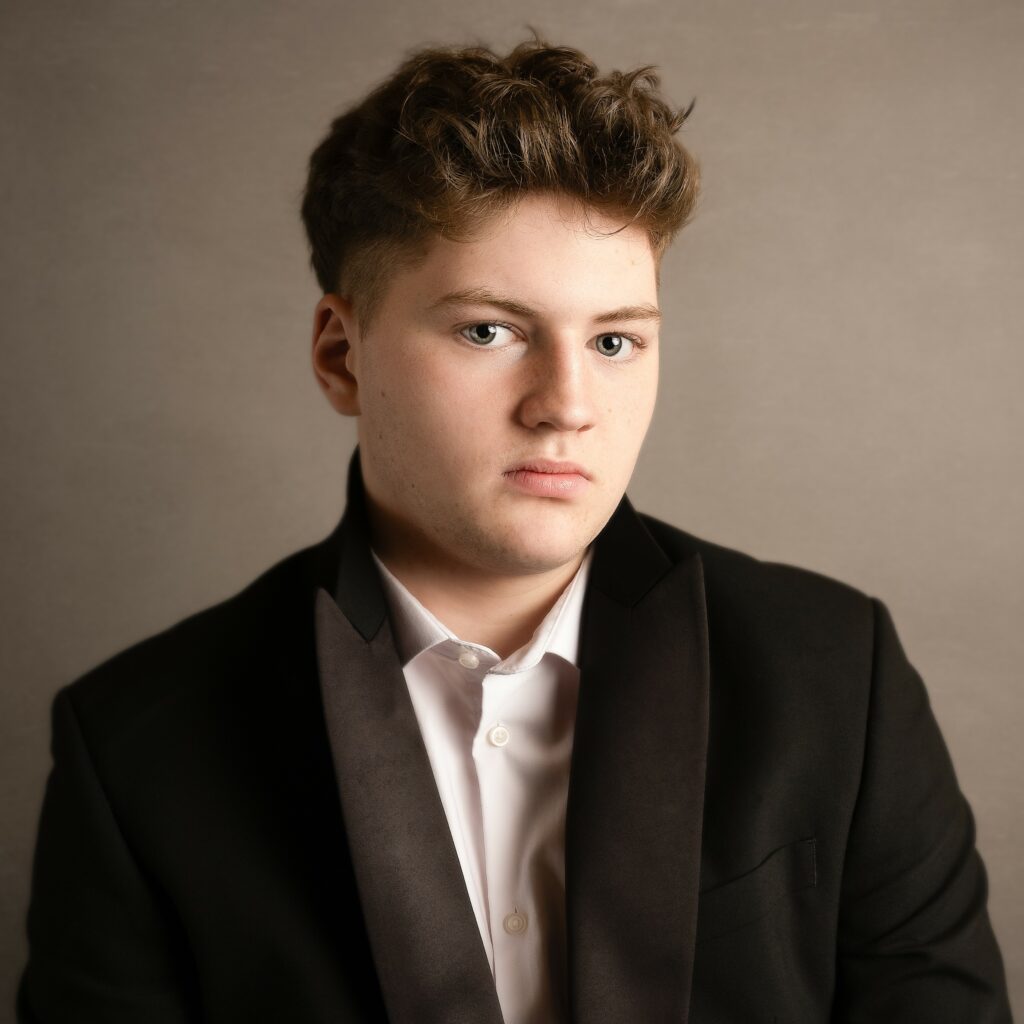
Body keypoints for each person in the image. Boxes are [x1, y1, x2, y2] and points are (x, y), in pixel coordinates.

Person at [17, 35, 1012, 1024]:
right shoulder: (140, 748)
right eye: (488, 330)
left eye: (614, 340)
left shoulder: (837, 674)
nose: (567, 404)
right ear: (340, 353)